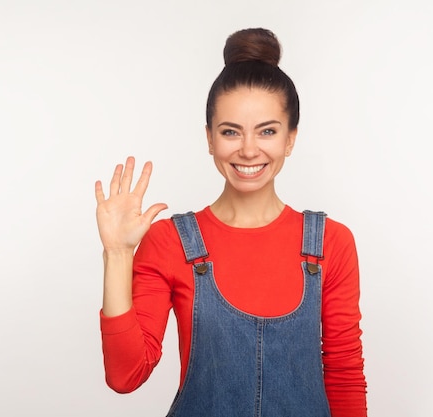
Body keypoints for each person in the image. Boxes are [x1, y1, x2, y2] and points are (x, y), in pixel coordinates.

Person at [95, 28, 367, 417]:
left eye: (268, 131)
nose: (249, 149)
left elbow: (344, 375)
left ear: (291, 139)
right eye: (230, 132)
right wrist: (118, 254)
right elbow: (125, 376)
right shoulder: (170, 241)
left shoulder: (331, 244)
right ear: (210, 138)